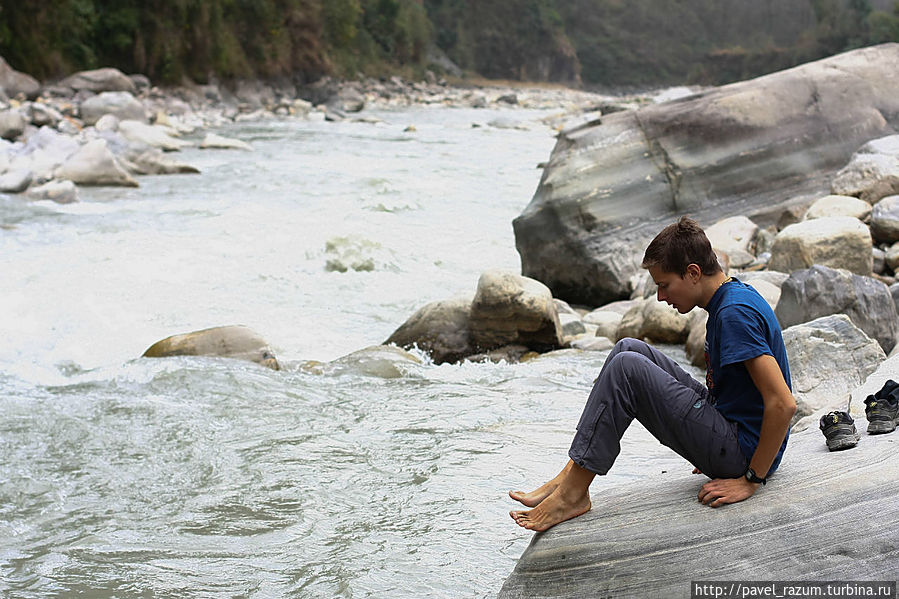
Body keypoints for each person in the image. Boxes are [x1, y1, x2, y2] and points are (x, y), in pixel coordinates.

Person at [509, 216, 796, 532]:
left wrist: (751, 480)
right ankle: (571, 474)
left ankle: (574, 494)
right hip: (733, 431)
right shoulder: (731, 298)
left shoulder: (733, 315)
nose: (661, 297)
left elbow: (783, 404)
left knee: (627, 370)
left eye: (663, 285)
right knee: (627, 348)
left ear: (693, 273)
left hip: (743, 456)